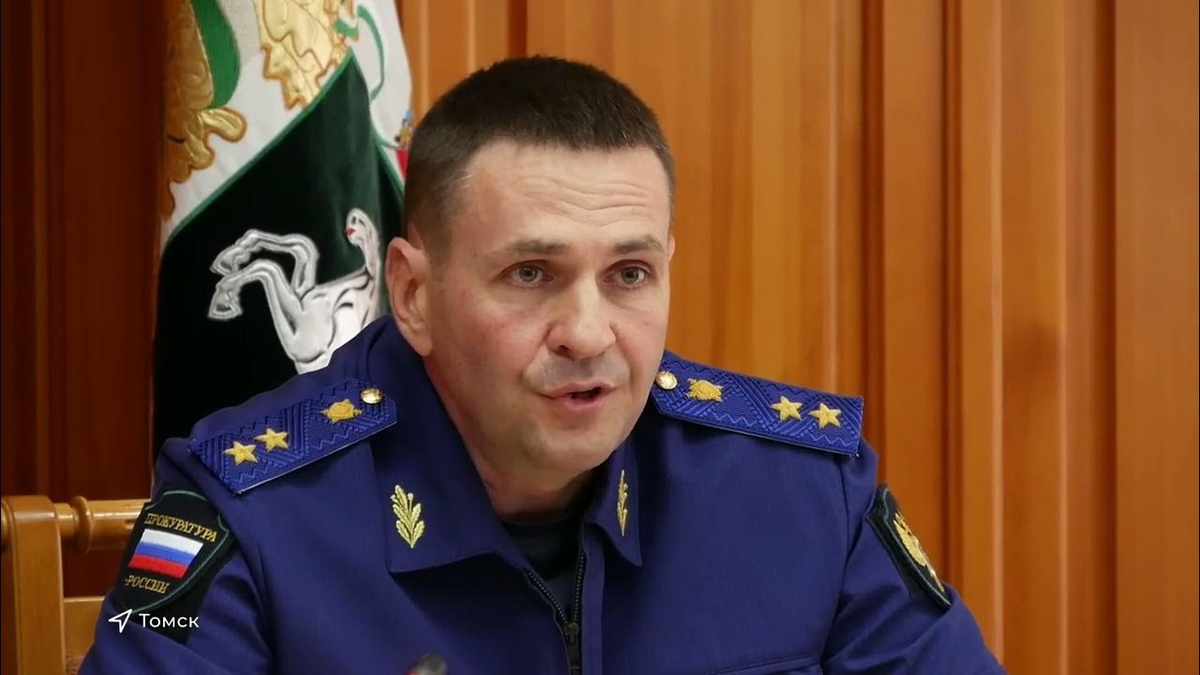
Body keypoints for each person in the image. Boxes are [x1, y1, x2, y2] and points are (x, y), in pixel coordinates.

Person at [82, 56, 1003, 674]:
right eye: (531, 274)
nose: (589, 333)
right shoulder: (251, 510)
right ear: (412, 294)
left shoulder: (802, 490)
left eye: (629, 274)